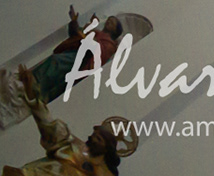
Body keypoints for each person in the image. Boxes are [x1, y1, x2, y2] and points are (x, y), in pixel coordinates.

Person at [6, 66, 135, 176]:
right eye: (94, 136)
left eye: (99, 139)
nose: (93, 139)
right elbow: (48, 124)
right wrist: (32, 97)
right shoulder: (72, 145)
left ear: (107, 149)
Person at [28, 10, 120, 105]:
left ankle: (37, 86)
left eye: (112, 22)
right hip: (74, 52)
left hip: (81, 61)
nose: (109, 22)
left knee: (56, 62)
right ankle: (33, 80)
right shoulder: (96, 33)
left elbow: (95, 50)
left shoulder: (110, 45)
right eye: (109, 20)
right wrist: (74, 22)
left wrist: (82, 33)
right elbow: (76, 35)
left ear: (115, 31)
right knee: (54, 60)